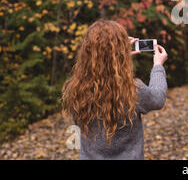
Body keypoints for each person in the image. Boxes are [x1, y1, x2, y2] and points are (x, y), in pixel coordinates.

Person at [61, 19, 168, 160]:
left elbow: (102, 74)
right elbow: (158, 98)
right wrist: (158, 66)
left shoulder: (75, 89)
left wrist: (115, 58)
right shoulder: (132, 89)